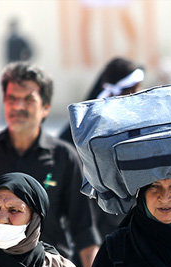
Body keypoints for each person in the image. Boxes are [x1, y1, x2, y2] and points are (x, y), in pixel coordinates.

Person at [0, 62, 100, 267]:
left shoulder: (63, 157)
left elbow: (84, 230)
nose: (18, 106)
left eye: (28, 99)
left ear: (45, 107)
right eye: (12, 99)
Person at [58, 57, 145, 242]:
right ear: (126, 89)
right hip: (98, 207)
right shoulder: (95, 121)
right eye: (136, 88)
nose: (139, 93)